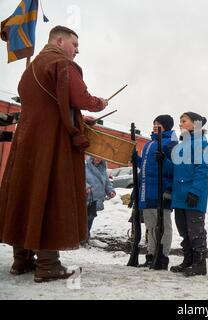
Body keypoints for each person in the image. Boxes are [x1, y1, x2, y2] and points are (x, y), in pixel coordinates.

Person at [0, 26, 108, 282]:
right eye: (75, 44)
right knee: (51, 194)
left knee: (27, 194)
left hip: (27, 144)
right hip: (52, 144)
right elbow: (79, 97)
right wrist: (99, 103)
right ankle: (48, 264)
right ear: (60, 41)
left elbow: (54, 104)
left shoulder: (29, 71)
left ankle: (21, 259)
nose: (78, 50)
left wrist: (80, 120)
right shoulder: (62, 64)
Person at [170, 112, 208, 277]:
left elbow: (202, 169)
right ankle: (188, 260)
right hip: (179, 195)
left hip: (193, 195)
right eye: (180, 121)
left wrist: (195, 191)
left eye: (184, 121)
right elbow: (178, 168)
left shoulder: (201, 143)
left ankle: (199, 265)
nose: (180, 124)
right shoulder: (182, 145)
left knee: (195, 231)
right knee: (184, 231)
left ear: (196, 125)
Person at [137, 115, 178, 270]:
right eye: (154, 123)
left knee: (164, 227)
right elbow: (146, 167)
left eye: (158, 124)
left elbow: (176, 168)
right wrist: (137, 160)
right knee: (151, 227)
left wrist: (164, 161)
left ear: (166, 127)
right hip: (147, 193)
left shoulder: (171, 144)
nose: (155, 126)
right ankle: (151, 255)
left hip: (163, 193)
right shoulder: (149, 144)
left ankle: (162, 257)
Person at [85, 156, 116, 243]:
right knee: (85, 218)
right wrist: (86, 187)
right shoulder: (85, 167)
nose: (98, 159)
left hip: (97, 198)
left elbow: (106, 183)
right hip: (87, 197)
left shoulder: (102, 169)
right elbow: (80, 179)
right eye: (96, 157)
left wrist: (110, 191)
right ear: (91, 158)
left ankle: (85, 236)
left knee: (90, 217)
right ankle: (83, 237)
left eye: (100, 158)